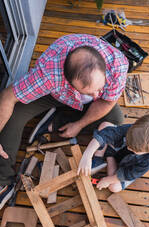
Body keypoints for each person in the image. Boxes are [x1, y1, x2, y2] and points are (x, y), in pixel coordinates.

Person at [0, 34, 128, 209]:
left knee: (116, 122)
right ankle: (4, 181)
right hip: (56, 95)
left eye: (99, 88)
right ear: (67, 80)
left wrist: (79, 124)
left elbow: (106, 101)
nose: (96, 95)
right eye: (88, 92)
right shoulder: (48, 72)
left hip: (85, 104)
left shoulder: (118, 65)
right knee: (12, 118)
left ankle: (58, 120)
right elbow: (7, 96)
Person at [78, 114, 149, 192]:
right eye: (128, 142)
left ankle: (109, 157)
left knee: (114, 187)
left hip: (124, 168)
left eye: (135, 150)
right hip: (116, 148)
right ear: (134, 125)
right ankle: (99, 158)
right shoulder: (132, 129)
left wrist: (108, 180)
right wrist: (87, 155)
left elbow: (128, 174)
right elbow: (105, 134)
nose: (128, 148)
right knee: (105, 125)